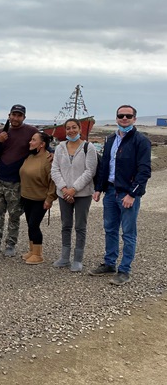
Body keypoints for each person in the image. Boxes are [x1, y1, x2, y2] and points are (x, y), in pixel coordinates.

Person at [89, 105, 151, 286]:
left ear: (134, 119)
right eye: (121, 116)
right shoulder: (110, 140)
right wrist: (99, 188)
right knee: (110, 229)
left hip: (127, 194)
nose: (124, 119)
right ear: (116, 118)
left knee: (129, 233)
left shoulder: (141, 141)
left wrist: (132, 194)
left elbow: (144, 171)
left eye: (128, 116)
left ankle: (125, 270)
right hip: (110, 192)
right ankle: (109, 263)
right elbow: (104, 166)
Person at [0, 104, 38, 256]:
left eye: (19, 115)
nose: (15, 118)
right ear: (9, 115)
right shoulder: (1, 132)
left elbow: (40, 145)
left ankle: (10, 244)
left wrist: (51, 154)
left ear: (24, 117)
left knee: (14, 215)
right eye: (13, 115)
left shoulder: (31, 131)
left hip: (17, 181)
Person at [50, 118, 98, 271]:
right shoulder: (60, 148)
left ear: (80, 129)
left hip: (82, 193)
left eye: (74, 127)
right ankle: (64, 257)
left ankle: (78, 259)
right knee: (66, 225)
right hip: (63, 193)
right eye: (68, 128)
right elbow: (55, 170)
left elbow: (90, 171)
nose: (71, 131)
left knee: (80, 226)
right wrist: (64, 189)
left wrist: (74, 189)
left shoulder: (88, 147)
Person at [18, 132, 57, 265]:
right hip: (26, 196)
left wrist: (49, 199)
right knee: (30, 224)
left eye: (33, 140)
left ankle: (38, 254)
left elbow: (53, 181)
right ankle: (32, 250)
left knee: (34, 225)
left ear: (42, 144)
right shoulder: (30, 156)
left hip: (40, 199)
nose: (30, 142)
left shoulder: (48, 160)